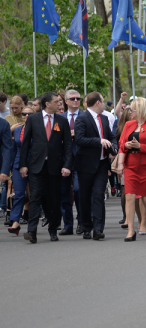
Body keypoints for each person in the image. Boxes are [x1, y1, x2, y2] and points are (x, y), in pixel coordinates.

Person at [19, 92, 72, 243]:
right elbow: (25, 144)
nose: (60, 105)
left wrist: (67, 165)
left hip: (55, 166)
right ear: (47, 104)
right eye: (57, 102)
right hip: (36, 166)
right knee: (35, 198)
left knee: (53, 199)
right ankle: (31, 231)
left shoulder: (62, 121)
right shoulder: (33, 119)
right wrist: (23, 165)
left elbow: (68, 145)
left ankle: (53, 228)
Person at [117, 98, 146, 241]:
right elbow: (121, 144)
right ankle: (131, 230)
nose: (130, 112)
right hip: (131, 165)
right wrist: (122, 158)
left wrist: (140, 147)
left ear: (141, 111)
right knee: (130, 196)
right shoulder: (129, 125)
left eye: (133, 109)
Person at [74, 92, 117, 240]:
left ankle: (98, 229)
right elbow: (79, 139)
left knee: (98, 195)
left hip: (102, 164)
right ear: (97, 103)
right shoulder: (82, 118)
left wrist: (114, 147)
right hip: (85, 164)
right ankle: (86, 226)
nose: (104, 104)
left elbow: (111, 137)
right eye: (103, 101)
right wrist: (98, 141)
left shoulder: (104, 119)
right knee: (85, 196)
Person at [58, 89, 83, 235]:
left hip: (80, 158)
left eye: (78, 98)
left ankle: (81, 220)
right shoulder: (59, 118)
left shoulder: (86, 117)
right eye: (72, 99)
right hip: (63, 159)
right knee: (64, 193)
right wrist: (66, 136)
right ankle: (67, 224)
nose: (76, 101)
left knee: (79, 190)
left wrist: (77, 134)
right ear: (66, 101)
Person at [7, 106, 34, 235]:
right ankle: (15, 221)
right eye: (24, 114)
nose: (26, 116)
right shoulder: (17, 130)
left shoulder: (38, 130)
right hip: (18, 165)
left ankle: (39, 221)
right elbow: (13, 149)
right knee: (19, 194)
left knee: (36, 195)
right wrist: (10, 167)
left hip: (35, 165)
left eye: (29, 114)